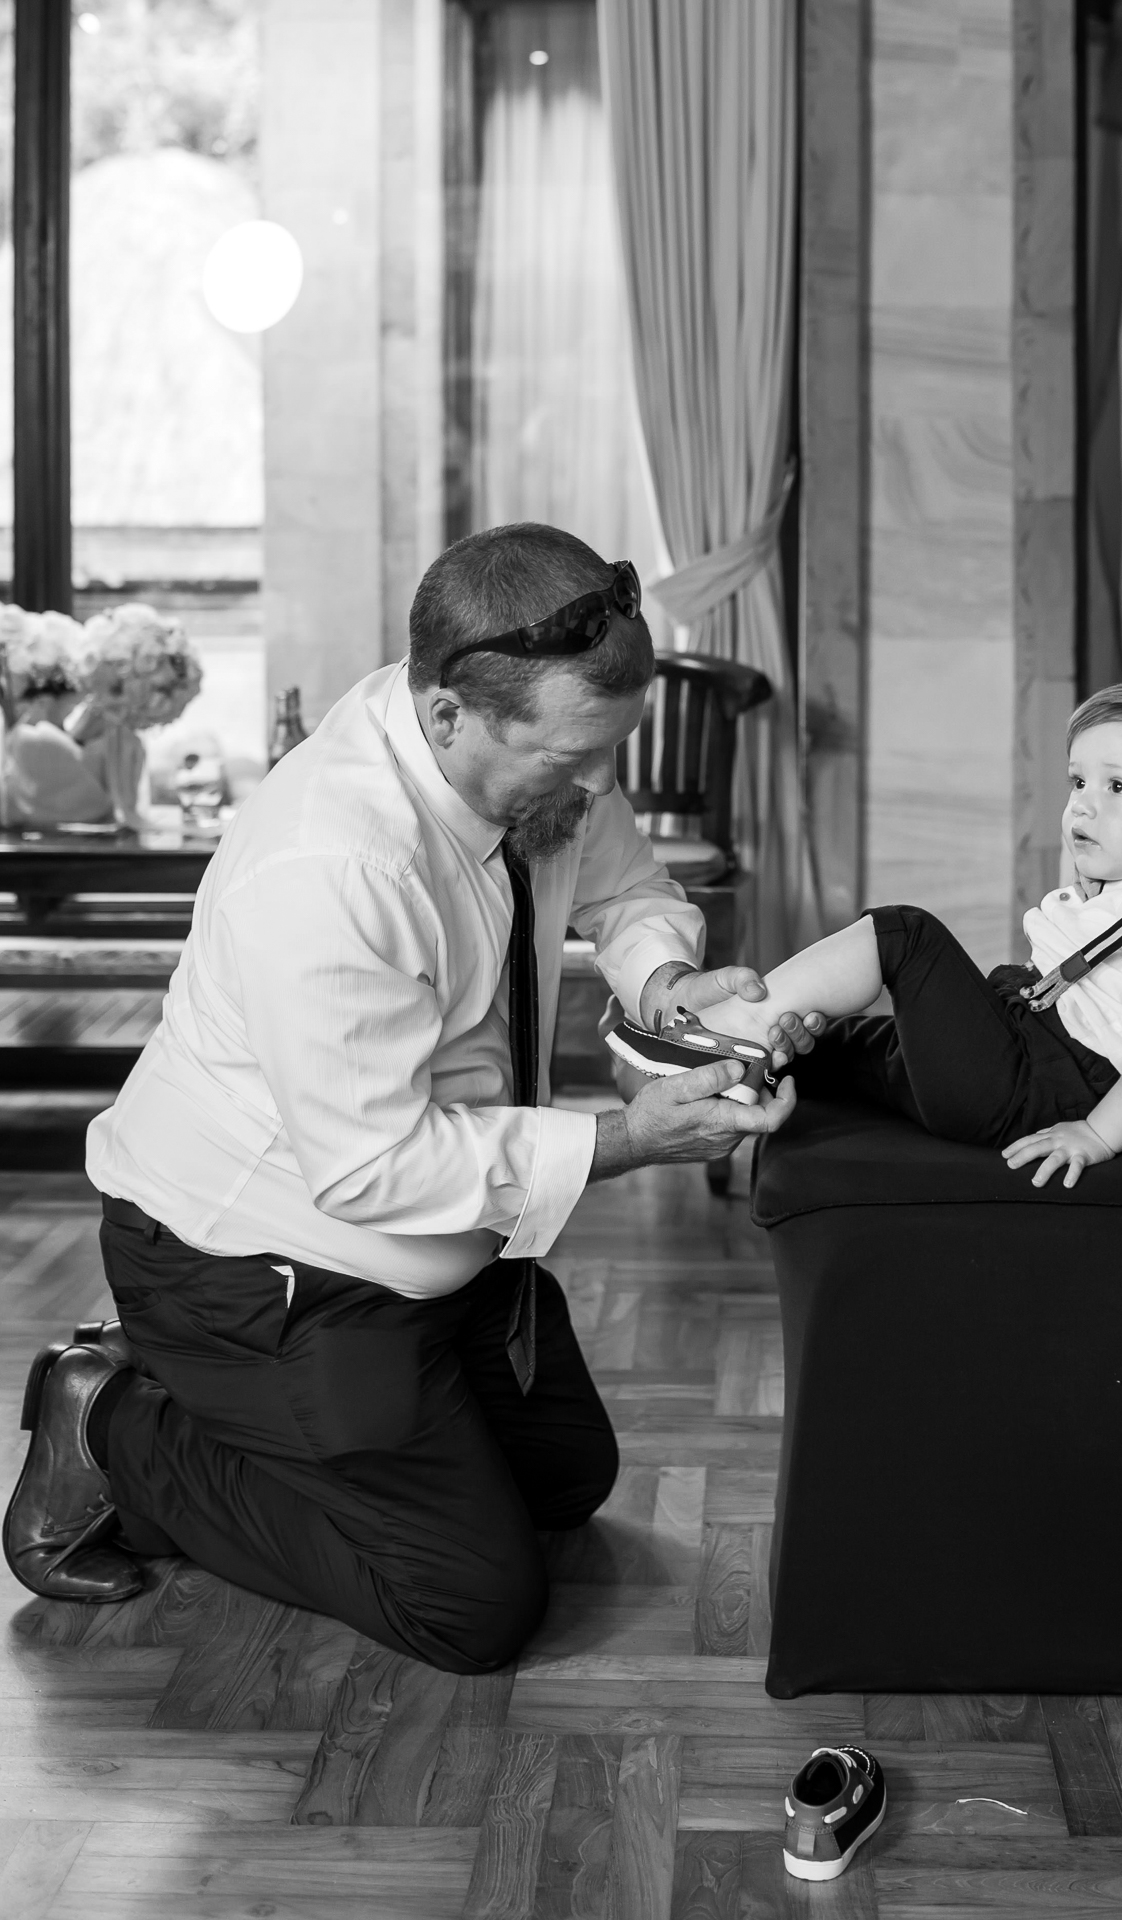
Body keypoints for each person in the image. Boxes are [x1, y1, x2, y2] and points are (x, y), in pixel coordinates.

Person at [3, 524, 821, 1670]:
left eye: (608, 754)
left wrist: (669, 979)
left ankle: (298, 1441)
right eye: (569, 761)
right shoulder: (333, 864)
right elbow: (367, 1168)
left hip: (437, 1258)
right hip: (261, 1270)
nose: (594, 788)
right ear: (445, 713)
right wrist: (629, 1139)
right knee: (472, 1608)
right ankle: (113, 1427)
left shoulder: (532, 737)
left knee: (565, 1481)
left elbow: (626, 888)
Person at [611, 680, 1122, 1190]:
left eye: (1117, 786)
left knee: (906, 934)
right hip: (1018, 1059)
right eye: (1078, 781)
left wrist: (1096, 1134)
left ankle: (716, 1033)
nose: (1083, 805)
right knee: (831, 1043)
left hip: (1036, 1090)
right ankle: (734, 1074)